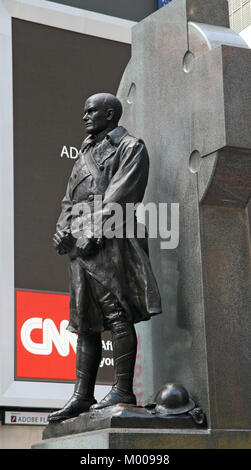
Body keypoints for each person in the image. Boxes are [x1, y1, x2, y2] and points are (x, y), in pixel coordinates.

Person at [48, 93, 161, 423]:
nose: (84, 117)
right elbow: (69, 200)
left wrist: (94, 231)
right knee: (84, 323)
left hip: (110, 242)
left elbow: (122, 193)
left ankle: (123, 390)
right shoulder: (84, 153)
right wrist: (62, 230)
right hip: (80, 250)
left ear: (110, 114)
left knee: (116, 313)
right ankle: (82, 395)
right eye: (84, 112)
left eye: (91, 111)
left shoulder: (130, 147)